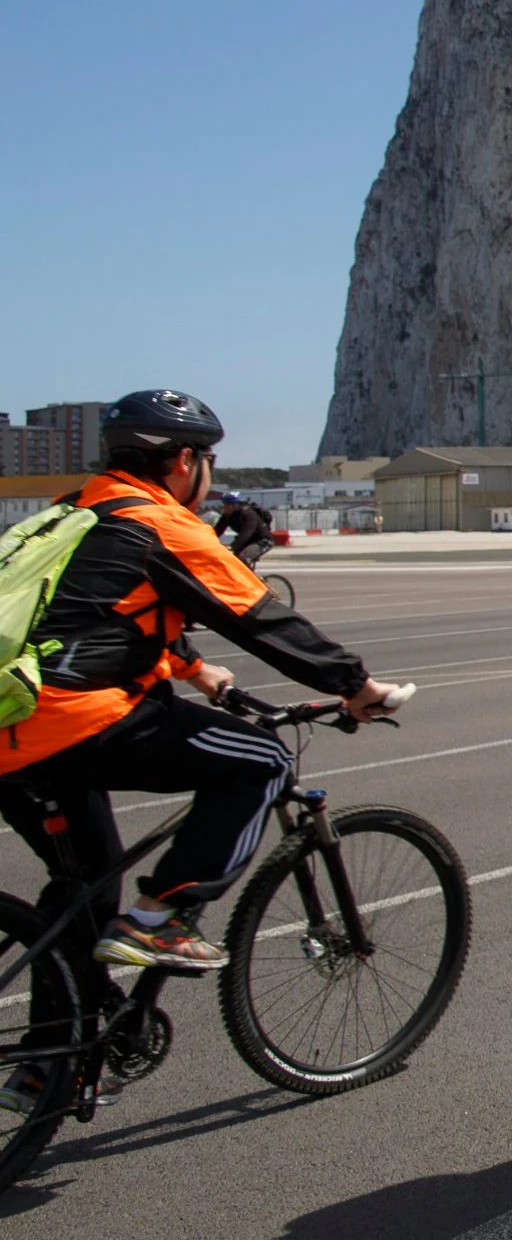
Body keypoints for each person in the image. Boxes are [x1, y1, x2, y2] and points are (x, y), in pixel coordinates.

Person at [0, 391, 397, 979]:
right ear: (184, 461)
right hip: (71, 721)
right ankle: (160, 919)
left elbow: (96, 613)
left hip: (13, 724)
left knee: (84, 890)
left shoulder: (72, 511)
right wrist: (354, 684)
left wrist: (192, 668)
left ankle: (54, 1067)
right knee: (260, 760)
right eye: (207, 462)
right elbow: (262, 620)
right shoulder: (162, 524)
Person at [215, 492, 274, 569]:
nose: (224, 507)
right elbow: (217, 531)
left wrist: (231, 547)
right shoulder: (227, 516)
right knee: (226, 558)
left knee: (243, 558)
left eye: (227, 504)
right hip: (248, 541)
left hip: (262, 541)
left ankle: (249, 580)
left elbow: (245, 534)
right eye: (224, 504)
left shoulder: (249, 514)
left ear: (235, 505)